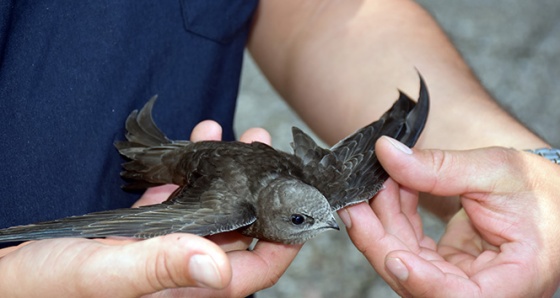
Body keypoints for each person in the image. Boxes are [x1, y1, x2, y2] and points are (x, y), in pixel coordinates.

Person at [0, 0, 558, 297]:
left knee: (364, 178)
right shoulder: (227, 212)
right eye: (302, 219)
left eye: (309, 219)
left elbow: (320, 11)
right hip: (154, 182)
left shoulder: (317, 192)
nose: (325, 226)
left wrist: (539, 178)